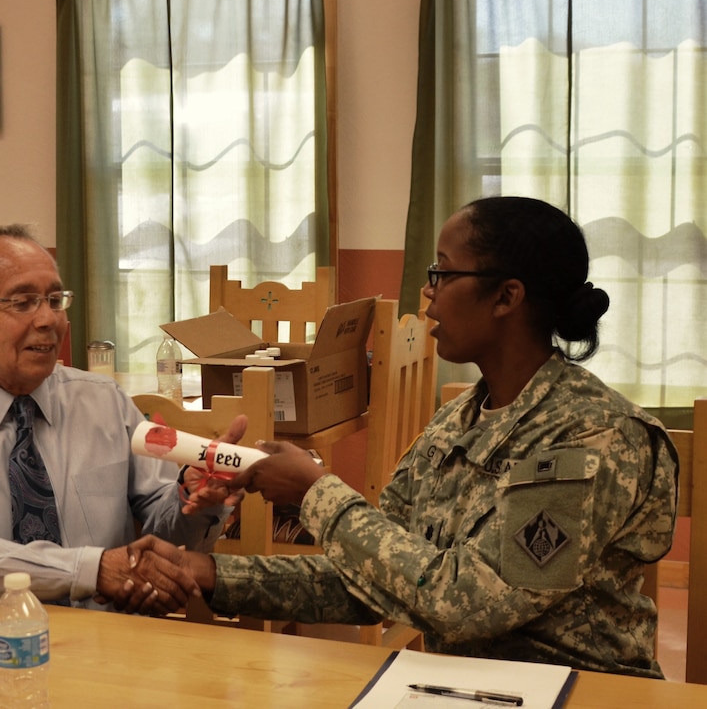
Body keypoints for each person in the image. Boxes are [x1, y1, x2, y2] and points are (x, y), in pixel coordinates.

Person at [128, 196, 679, 678]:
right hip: (460, 689)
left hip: (577, 690)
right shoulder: (460, 419)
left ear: (506, 296)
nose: (428, 292)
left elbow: (465, 603)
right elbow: (377, 578)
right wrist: (210, 571)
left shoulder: (593, 436)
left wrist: (315, 492)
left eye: (442, 273)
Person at [0, 224, 237, 613]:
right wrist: (90, 569)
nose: (48, 320)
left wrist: (194, 500)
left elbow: (162, 524)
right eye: (22, 303)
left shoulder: (104, 401)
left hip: (112, 638)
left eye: (54, 300)